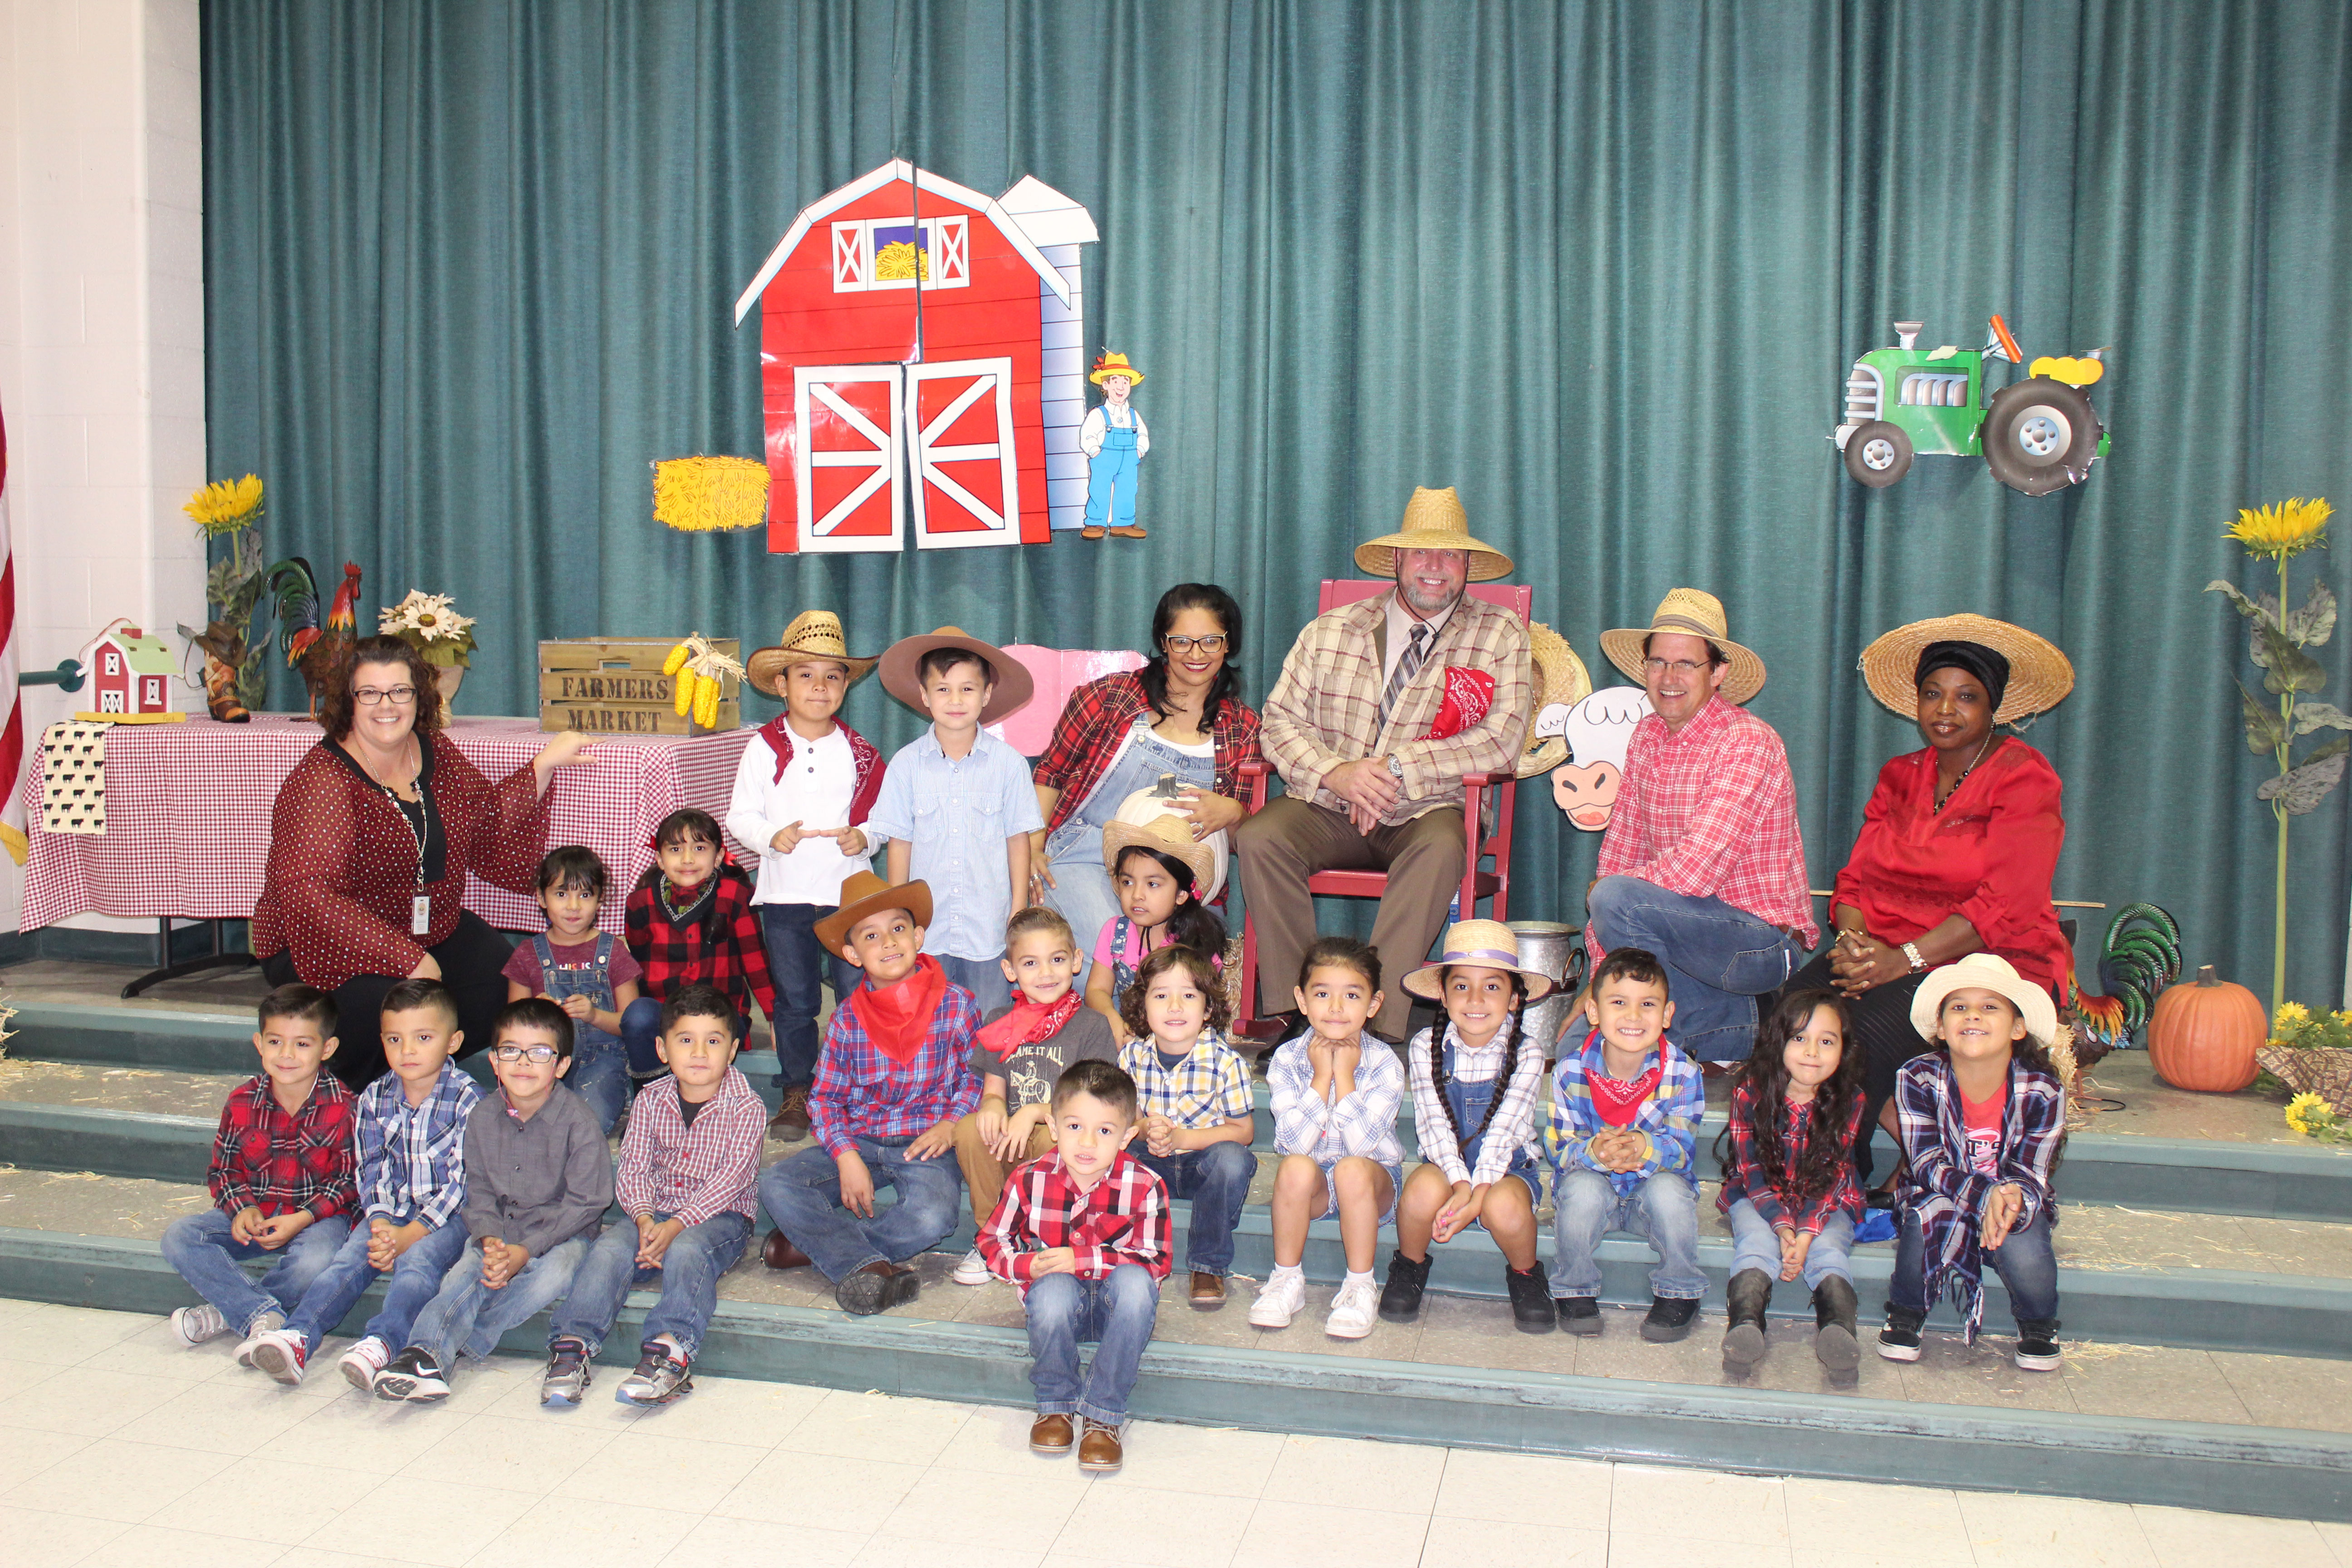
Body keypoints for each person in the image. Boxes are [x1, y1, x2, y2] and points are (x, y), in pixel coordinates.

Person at [1781, 614, 2076, 1185]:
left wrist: (1905, 959)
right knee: (1797, 1008)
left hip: (1987, 958)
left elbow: (2004, 904)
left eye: (1966, 697)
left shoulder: (2025, 778)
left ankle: (1831, 1175)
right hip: (1885, 950)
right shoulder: (1899, 775)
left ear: (1993, 708)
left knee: (1860, 1034)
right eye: (1932, 695)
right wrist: (1853, 942)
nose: (1946, 710)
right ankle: (1783, 1159)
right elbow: (1853, 882)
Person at [1239, 487, 1533, 1042]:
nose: (1435, 568)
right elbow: (1277, 722)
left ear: (1469, 566)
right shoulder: (1331, 630)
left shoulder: (1499, 634)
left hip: (1429, 808)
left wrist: (1397, 769)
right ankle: (1303, 1011)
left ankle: (1375, 1021)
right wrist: (1337, 773)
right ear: (1397, 560)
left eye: (1450, 556)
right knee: (1261, 838)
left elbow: (1502, 742)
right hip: (1328, 804)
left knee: (1444, 847)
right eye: (1421, 554)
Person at [254, 634, 589, 1089]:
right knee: (394, 1008)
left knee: (507, 984)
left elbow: (484, 818)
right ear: (348, 701)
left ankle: (436, 1080)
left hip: (421, 927)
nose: (385, 705)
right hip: (322, 943)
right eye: (369, 692)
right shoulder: (323, 780)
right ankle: (364, 1095)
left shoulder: (430, 748)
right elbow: (310, 897)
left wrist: (544, 765)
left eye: (400, 691)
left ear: (419, 696)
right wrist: (407, 958)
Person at [1584, 590, 1814, 1062]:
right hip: (1685, 932)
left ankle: (1672, 1038)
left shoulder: (1748, 742)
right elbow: (1619, 855)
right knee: (1580, 1045)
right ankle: (1725, 1029)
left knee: (1616, 899)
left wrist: (1608, 892)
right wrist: (1599, 975)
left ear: (1718, 673)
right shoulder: (1646, 737)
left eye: (1686, 664)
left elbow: (1693, 873)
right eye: (1658, 662)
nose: (1669, 678)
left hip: (1762, 945)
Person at [757, 872, 980, 1314]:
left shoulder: (956, 1003)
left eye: (898, 929)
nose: (889, 943)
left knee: (933, 1217)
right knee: (777, 1184)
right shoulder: (846, 1019)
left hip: (926, 1143)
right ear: (852, 954)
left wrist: (953, 1125)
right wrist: (844, 1155)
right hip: (863, 1139)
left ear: (918, 936)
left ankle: (822, 1251)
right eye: (871, 936)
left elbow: (976, 1078)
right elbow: (823, 1099)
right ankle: (867, 1265)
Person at [372, 999, 613, 1402]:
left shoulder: (579, 1122)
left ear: (561, 1065)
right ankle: (423, 1354)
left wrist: (526, 1251)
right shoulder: (482, 1116)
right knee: (464, 1275)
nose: (523, 1062)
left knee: (558, 1271)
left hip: (561, 1233)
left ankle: (467, 1339)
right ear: (495, 1062)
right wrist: (489, 1239)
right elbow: (478, 1189)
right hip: (499, 1227)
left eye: (539, 1053)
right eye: (510, 1051)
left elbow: (588, 1202)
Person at [247, 978, 480, 1389]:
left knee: (417, 1264)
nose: (407, 1050)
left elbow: (464, 1181)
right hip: (390, 1213)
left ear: (453, 1040)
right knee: (349, 1260)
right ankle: (299, 1335)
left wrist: (411, 1233)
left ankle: (381, 1342)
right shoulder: (375, 1097)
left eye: (423, 1037)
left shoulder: (468, 1099)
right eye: (395, 1039)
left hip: (451, 1217)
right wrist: (380, 1223)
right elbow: (371, 1169)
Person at [544, 984, 767, 1407]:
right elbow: (633, 1168)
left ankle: (670, 1350)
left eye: (713, 1041)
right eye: (686, 1041)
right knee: (610, 1248)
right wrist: (646, 1221)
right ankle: (572, 1345)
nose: (699, 1053)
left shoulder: (747, 1106)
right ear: (663, 1050)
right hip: (655, 1211)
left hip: (720, 1218)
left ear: (733, 1049)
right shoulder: (649, 1099)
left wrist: (676, 1226)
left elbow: (733, 1178)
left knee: (687, 1251)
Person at [1031, 583, 1261, 955]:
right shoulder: (1109, 697)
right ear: (1163, 642)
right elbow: (1051, 772)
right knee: (1123, 952)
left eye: (1211, 641)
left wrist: (1234, 813)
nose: (1196, 654)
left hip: (1182, 886)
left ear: (1228, 645)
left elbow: (1242, 843)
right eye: (1182, 641)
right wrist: (1032, 846)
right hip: (1087, 858)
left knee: (1184, 970)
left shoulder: (1244, 728)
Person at [730, 611, 885, 1137]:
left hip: (848, 893)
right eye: (805, 675)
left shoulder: (861, 753)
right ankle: (798, 1087)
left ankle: (854, 1088)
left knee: (854, 993)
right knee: (793, 999)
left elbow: (882, 820)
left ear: (846, 684)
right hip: (785, 894)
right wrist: (770, 837)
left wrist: (865, 838)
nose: (819, 687)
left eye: (832, 676)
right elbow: (740, 817)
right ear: (782, 684)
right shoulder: (763, 747)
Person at [979, 1058, 1171, 1475]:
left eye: (1104, 1131)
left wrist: (1081, 1258)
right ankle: (1056, 1404)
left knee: (1139, 1285)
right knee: (1050, 1290)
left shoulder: (1146, 1185)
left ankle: (1103, 1413)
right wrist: (1026, 1265)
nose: (1087, 1143)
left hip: (1120, 1312)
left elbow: (1156, 1259)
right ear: (1052, 1126)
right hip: (1058, 1304)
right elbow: (992, 1240)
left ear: (1127, 1137)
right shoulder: (1030, 1178)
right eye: (1074, 1127)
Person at [1878, 953, 2068, 1372]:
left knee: (2025, 1241)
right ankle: (1907, 1309)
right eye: (1959, 1007)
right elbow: (1926, 1163)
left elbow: (2031, 1172)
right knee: (1926, 1215)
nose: (1973, 1017)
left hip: (2012, 1197)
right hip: (1943, 1191)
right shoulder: (1916, 1078)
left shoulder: (2044, 1090)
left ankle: (2038, 1322)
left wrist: (2008, 1198)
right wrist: (1986, 1195)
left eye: (1990, 1007)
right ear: (1941, 1028)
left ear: (2018, 1027)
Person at [1376, 921, 1554, 1334]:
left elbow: (1506, 1132)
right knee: (1420, 1193)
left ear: (1514, 998)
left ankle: (1526, 1275)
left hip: (1506, 1166)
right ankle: (1410, 1265)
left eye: (1492, 987)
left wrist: (1478, 1196)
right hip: (1446, 1160)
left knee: (1504, 1209)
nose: (1475, 999)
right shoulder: (1425, 1046)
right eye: (1461, 987)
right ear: (1442, 994)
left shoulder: (1527, 1052)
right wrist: (1459, 1184)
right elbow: (1434, 1124)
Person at [161, 984, 355, 1362]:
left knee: (315, 1261)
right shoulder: (241, 1102)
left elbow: (347, 1183)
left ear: (327, 1049)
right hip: (258, 1215)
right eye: (276, 1041)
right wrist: (242, 1209)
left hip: (316, 1220)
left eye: (302, 1044)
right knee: (180, 1236)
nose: (287, 1055)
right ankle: (259, 1313)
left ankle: (234, 1312)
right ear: (259, 1043)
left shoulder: (345, 1105)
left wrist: (301, 1219)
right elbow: (224, 1170)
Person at [868, 627, 1043, 1015]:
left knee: (991, 1020)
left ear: (987, 695)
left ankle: (987, 1080)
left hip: (989, 926)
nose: (956, 700)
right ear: (925, 696)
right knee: (929, 1020)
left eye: (967, 689)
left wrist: (1016, 910)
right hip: (928, 930)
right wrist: (900, 919)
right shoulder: (906, 765)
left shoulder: (1008, 765)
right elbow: (900, 843)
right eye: (943, 689)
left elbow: (1018, 841)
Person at [950, 906, 1118, 1287]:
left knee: (1051, 1137)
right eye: (1030, 963)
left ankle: (1042, 1235)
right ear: (1011, 970)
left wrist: (1036, 1112)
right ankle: (993, 1239)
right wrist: (993, 1106)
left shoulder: (1092, 1025)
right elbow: (994, 1090)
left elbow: (1093, 1105)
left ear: (1076, 961)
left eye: (1057, 960)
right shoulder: (1000, 1020)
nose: (1046, 973)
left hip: (1060, 1143)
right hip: (1009, 1146)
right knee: (969, 1129)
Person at [1546, 947, 1707, 1342]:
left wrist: (1642, 1146)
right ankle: (1575, 1287)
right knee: (1579, 1190)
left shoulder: (1683, 1072)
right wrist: (1596, 1153)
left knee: (1672, 1193)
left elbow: (1683, 1148)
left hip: (1649, 1192)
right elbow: (1560, 1148)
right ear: (1594, 1012)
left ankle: (1679, 1290)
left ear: (1667, 1015)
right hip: (1595, 1186)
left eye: (1648, 1005)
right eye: (1619, 1003)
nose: (1634, 1017)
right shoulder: (1570, 1070)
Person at [1249, 937, 1406, 1339]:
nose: (1336, 1008)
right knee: (1296, 1167)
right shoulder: (1286, 1060)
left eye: (1352, 995)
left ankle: (1360, 1285)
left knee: (1352, 1169)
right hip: (1315, 1186)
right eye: (1322, 994)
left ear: (1373, 1005)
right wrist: (1322, 1078)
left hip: (1373, 1184)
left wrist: (1346, 1078)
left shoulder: (1385, 1064)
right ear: (1302, 1000)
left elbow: (1364, 1147)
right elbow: (1294, 1144)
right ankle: (1287, 1280)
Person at [1716, 990, 1867, 1376]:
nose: (1812, 1052)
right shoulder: (1749, 1092)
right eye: (1799, 1038)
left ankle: (1838, 1329)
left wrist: (1806, 1234)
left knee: (1830, 1247)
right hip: (1760, 1193)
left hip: (1826, 1198)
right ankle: (1746, 1324)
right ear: (1778, 1040)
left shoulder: (1850, 1099)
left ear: (1842, 1049)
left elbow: (1834, 1172)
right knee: (1755, 1239)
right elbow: (1751, 1170)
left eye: (1826, 1041)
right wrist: (1782, 1224)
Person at [1118, 944, 1260, 1309]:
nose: (1175, 1007)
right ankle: (1130, 1250)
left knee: (1233, 1160)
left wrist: (1183, 1138)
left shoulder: (1225, 1062)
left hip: (1202, 1167)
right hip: (1153, 1164)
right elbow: (1124, 1119)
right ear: (1143, 1005)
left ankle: (1207, 1265)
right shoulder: (1132, 1058)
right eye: (1161, 995)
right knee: (1114, 1149)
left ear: (1207, 1007)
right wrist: (1145, 1127)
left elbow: (1243, 1132)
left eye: (1188, 996)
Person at [621, 808, 776, 1078]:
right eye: (675, 849)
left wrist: (775, 1019)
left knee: (704, 1035)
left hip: (720, 1015)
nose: (688, 859)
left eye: (700, 847)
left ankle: (704, 1101)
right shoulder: (640, 902)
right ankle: (652, 1097)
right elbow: (635, 964)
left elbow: (756, 964)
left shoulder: (734, 896)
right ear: (659, 858)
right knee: (637, 1015)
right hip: (666, 1014)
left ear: (718, 857)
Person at [504, 846, 638, 1134]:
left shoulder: (613, 950)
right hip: (543, 1062)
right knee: (524, 1120)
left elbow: (630, 1024)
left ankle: (617, 1099)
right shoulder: (528, 953)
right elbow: (510, 1028)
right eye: (562, 894)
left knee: (589, 1123)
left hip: (602, 1058)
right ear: (541, 897)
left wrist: (594, 1016)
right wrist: (536, 1013)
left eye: (586, 895)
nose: (574, 906)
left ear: (601, 900)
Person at [1082, 814, 1226, 1044]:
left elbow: (1204, 1010)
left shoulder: (1194, 941)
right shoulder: (1114, 932)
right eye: (1128, 882)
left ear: (1181, 894)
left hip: (1185, 1037)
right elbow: (1097, 990)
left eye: (1152, 884)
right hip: (1128, 1034)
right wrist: (1113, 1020)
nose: (1137, 895)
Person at [1077, 350, 1151, 540]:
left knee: (1127, 490)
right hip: (1104, 459)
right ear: (1106, 385)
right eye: (1116, 381)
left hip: (1129, 461)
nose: (1121, 387)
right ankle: (1095, 523)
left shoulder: (1133, 415)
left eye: (1125, 382)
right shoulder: (1099, 414)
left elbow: (1142, 434)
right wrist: (1096, 453)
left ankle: (1123, 523)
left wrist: (1140, 451)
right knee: (1099, 489)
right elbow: (1088, 435)